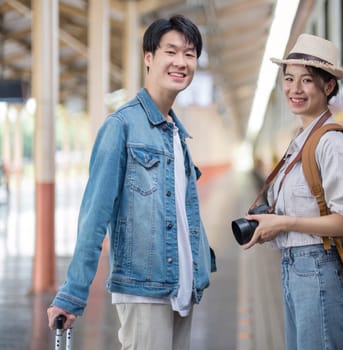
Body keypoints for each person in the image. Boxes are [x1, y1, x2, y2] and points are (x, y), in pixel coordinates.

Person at [47, 14, 216, 350]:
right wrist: (73, 294)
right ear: (149, 58)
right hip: (144, 290)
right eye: (171, 51)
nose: (181, 62)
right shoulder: (121, 127)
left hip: (183, 288)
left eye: (190, 54)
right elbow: (94, 215)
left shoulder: (177, 134)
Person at [242, 33, 343, 349]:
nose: (294, 89)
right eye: (288, 79)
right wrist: (272, 228)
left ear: (328, 87)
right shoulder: (300, 143)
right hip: (296, 271)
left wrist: (285, 223)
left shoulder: (333, 145)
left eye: (306, 81)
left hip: (321, 274)